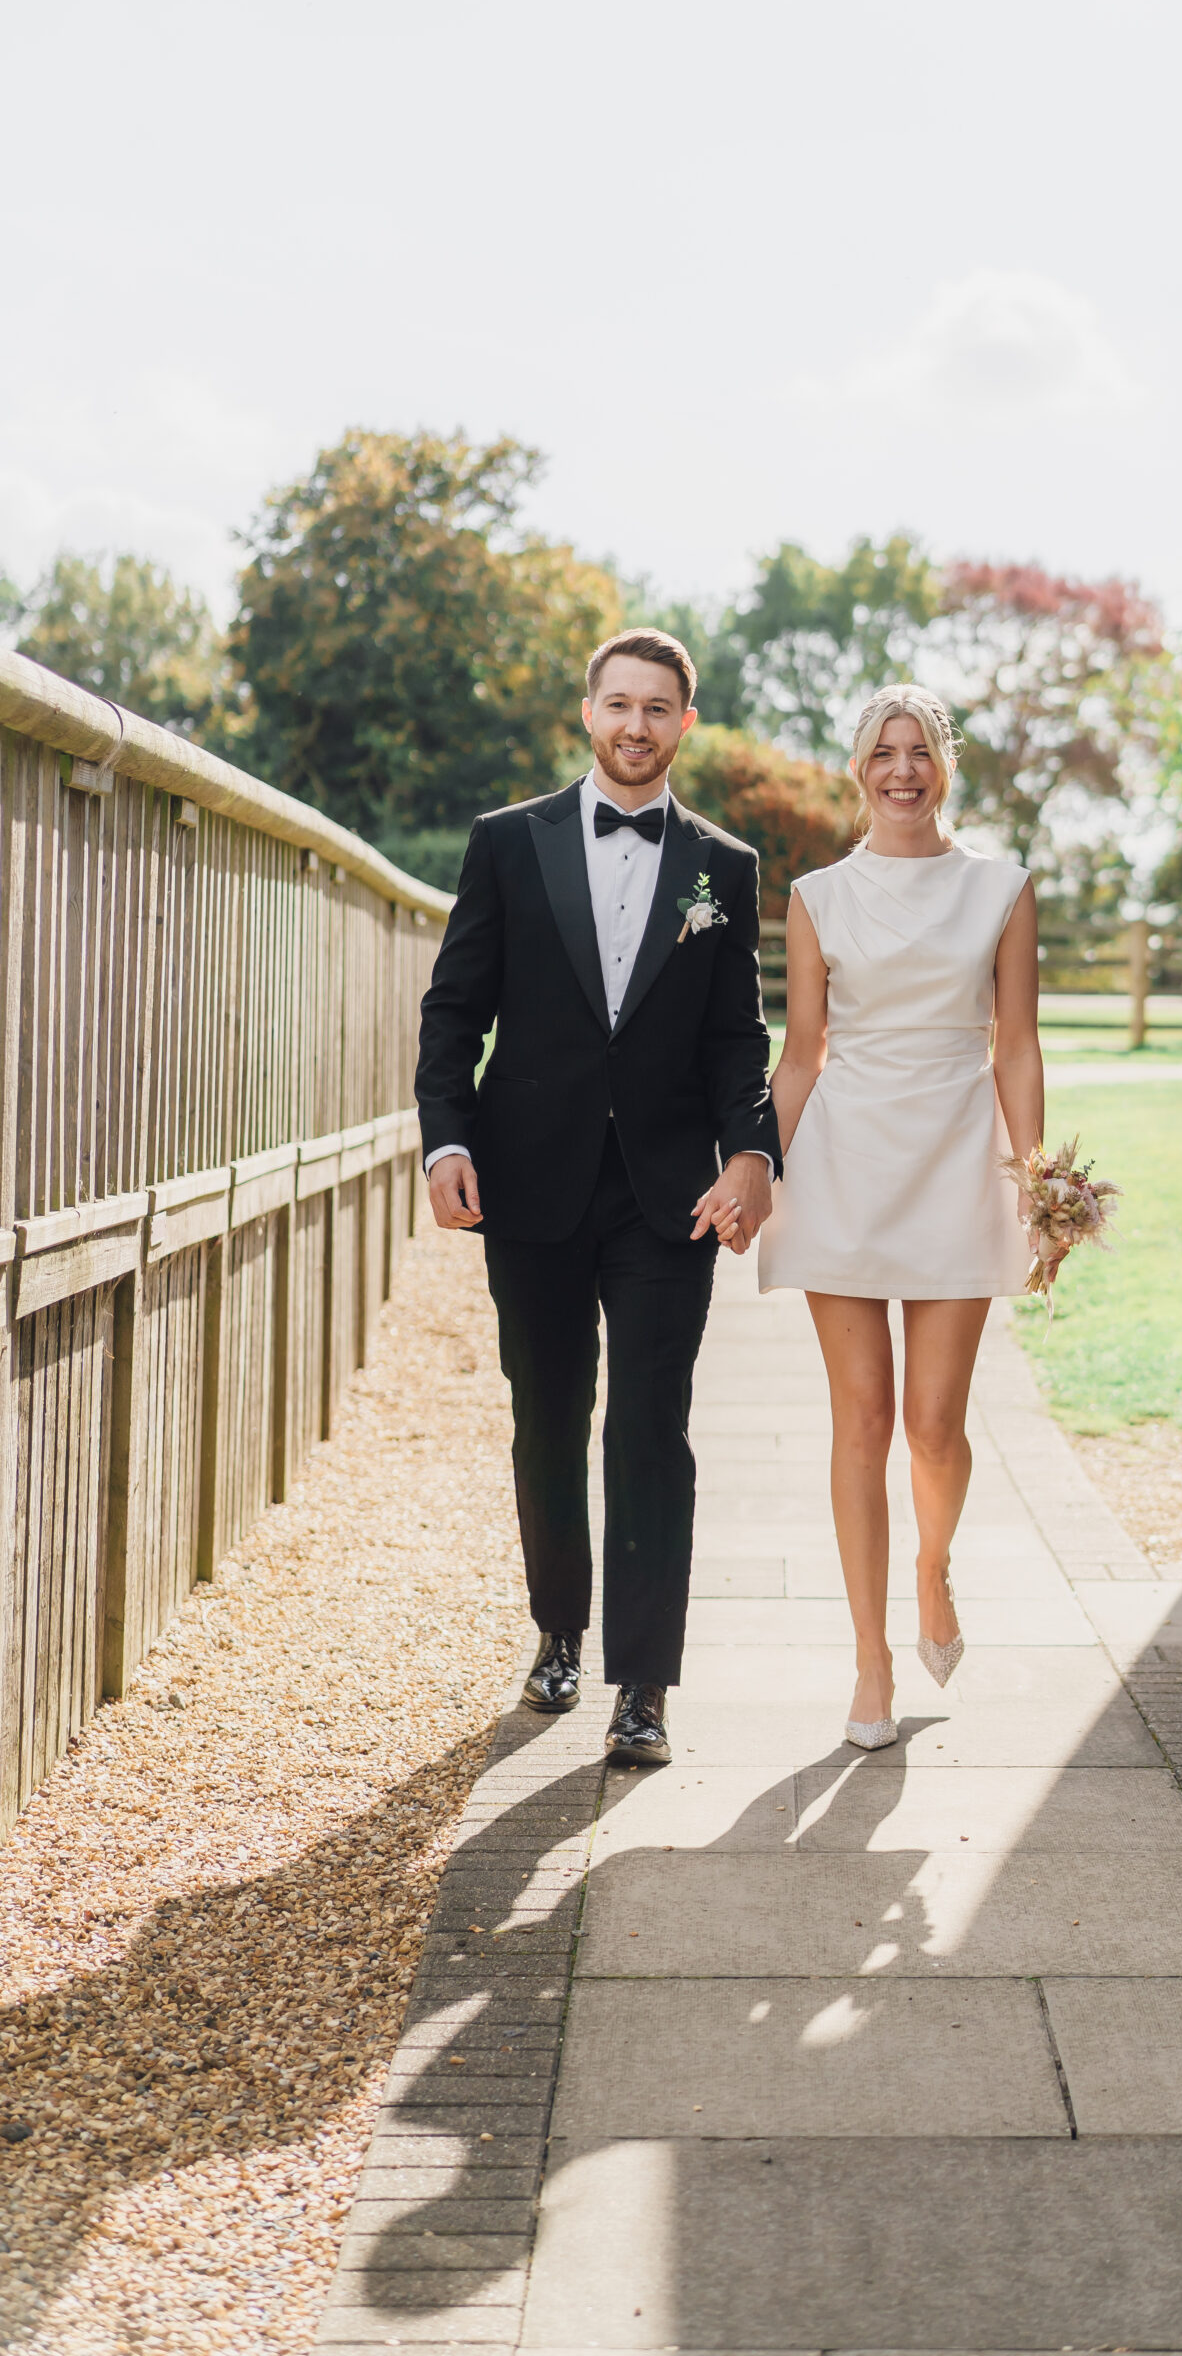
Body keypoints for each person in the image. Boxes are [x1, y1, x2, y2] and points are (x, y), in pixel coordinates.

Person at [414, 630, 780, 1768]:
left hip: (668, 1196)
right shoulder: (507, 844)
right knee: (549, 1416)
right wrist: (445, 1141)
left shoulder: (725, 866)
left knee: (652, 1428)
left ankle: (645, 1686)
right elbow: (452, 1009)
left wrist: (752, 1153)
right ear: (587, 712)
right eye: (618, 704)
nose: (636, 725)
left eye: (657, 708)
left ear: (686, 723)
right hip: (528, 1181)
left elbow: (736, 1038)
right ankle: (558, 1633)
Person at [754, 684, 1048, 1749]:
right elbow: (803, 1052)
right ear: (858, 768)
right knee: (863, 1420)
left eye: (919, 750)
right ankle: (870, 1660)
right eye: (882, 751)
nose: (902, 769)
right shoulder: (819, 895)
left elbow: (1014, 1044)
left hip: (958, 1160)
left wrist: (1038, 1178)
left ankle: (934, 1563)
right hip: (840, 1162)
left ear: (945, 766)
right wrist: (755, 1166)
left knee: (934, 1425)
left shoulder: (1003, 889)